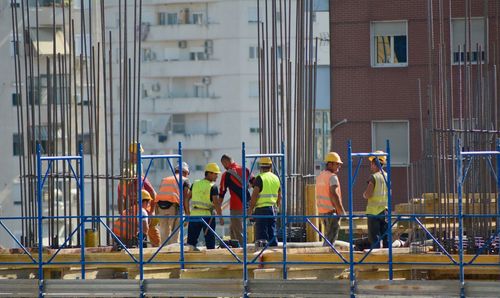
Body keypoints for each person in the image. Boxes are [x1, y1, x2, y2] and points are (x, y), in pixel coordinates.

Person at [117, 142, 160, 247]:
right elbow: (120, 199)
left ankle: (156, 252)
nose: (140, 156)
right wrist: (122, 213)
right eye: (138, 153)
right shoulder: (124, 179)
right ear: (132, 153)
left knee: (151, 231)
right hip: (133, 209)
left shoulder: (139, 176)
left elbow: (153, 193)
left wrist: (152, 211)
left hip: (145, 206)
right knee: (135, 235)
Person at [184, 162, 224, 250]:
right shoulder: (213, 187)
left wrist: (187, 213)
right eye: (215, 174)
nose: (217, 176)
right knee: (210, 242)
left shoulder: (195, 183)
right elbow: (216, 204)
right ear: (209, 173)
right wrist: (220, 217)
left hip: (194, 215)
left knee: (191, 242)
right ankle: (210, 261)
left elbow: (186, 198)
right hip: (207, 216)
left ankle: (189, 261)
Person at [219, 154, 252, 246]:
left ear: (226, 162)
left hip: (236, 206)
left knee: (238, 231)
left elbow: (221, 193)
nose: (224, 167)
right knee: (233, 229)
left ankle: (241, 251)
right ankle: (235, 248)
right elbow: (254, 182)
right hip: (247, 205)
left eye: (223, 164)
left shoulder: (226, 175)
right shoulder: (245, 169)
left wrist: (218, 210)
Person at [248, 157, 281, 247]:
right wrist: (277, 208)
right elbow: (279, 196)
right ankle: (274, 254)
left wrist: (250, 210)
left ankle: (261, 257)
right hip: (273, 209)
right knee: (272, 233)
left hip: (261, 210)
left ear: (260, 167)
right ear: (271, 166)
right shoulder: (276, 178)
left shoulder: (260, 178)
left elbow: (254, 195)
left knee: (261, 235)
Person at [155, 162, 190, 246]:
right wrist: (187, 214)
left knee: (163, 232)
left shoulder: (165, 179)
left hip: (160, 207)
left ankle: (164, 250)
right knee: (175, 231)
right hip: (173, 207)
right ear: (185, 172)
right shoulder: (185, 180)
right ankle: (175, 251)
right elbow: (185, 198)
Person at [315, 152, 346, 246]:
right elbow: (334, 194)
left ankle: (325, 256)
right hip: (331, 212)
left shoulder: (320, 176)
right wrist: (341, 211)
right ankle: (326, 258)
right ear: (330, 164)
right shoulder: (332, 177)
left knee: (328, 237)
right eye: (337, 164)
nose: (339, 166)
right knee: (330, 239)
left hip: (322, 212)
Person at [363, 150, 389, 248]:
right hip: (385, 211)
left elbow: (368, 194)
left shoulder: (374, 177)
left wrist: (364, 195)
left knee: (375, 239)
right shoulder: (387, 176)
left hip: (374, 213)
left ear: (375, 164)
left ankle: (376, 261)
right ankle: (387, 260)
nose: (370, 166)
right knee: (386, 237)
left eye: (371, 164)